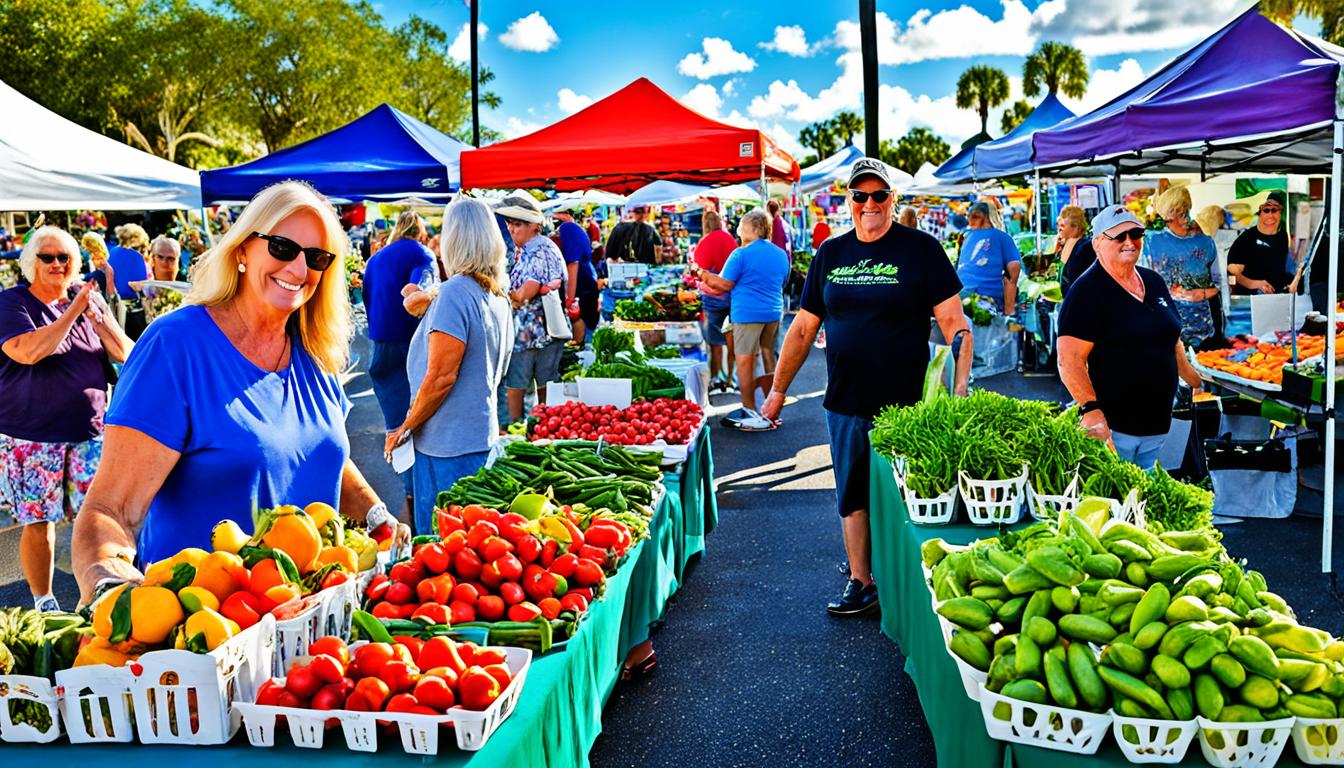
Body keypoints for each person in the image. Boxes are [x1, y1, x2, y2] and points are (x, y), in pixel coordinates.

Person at [71, 181, 405, 599]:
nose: (299, 271)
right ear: (243, 249)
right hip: (206, 636)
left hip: (312, 630)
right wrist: (110, 588)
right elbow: (110, 510)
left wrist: (377, 516)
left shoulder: (312, 352)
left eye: (316, 258)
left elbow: (320, 454)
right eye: (283, 248)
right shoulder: (176, 347)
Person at [760, 158, 972, 615]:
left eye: (879, 195)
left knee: (912, 492)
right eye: (861, 196)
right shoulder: (830, 255)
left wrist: (959, 390)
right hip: (847, 400)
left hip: (910, 405)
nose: (870, 204)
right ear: (849, 201)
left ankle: (915, 579)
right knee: (852, 493)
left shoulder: (921, 250)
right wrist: (778, 391)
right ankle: (862, 580)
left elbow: (954, 323)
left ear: (892, 199)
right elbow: (801, 330)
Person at [1, 227, 132, 611]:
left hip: (89, 431)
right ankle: (44, 601)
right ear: (31, 263)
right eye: (48, 257)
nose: (58, 264)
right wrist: (73, 311)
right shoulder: (13, 304)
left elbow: (125, 352)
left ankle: (100, 592)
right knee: (39, 519)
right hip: (31, 435)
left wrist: (100, 319)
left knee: (99, 518)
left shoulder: (84, 300)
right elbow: (29, 351)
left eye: (65, 258)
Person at [386, 198, 513, 534]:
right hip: (476, 439)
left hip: (446, 445)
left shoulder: (457, 292)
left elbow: (442, 377)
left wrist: (406, 427)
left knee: (441, 548)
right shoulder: (497, 295)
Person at [1057, 205, 1203, 469]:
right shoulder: (1085, 293)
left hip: (1161, 424)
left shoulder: (1154, 281)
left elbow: (1171, 337)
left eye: (1135, 234)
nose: (1129, 242)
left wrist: (1193, 378)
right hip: (1116, 430)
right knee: (1119, 502)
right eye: (1119, 236)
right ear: (1098, 242)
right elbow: (1069, 361)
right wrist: (1091, 411)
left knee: (1153, 498)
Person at [363, 211, 435, 515]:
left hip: (380, 343)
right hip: (411, 340)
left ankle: (407, 488)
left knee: (395, 420)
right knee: (421, 414)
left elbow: (366, 298)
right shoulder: (423, 253)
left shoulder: (377, 258)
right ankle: (420, 493)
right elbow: (422, 289)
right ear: (420, 231)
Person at [697, 209, 789, 430]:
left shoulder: (741, 254)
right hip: (773, 313)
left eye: (743, 225)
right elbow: (782, 281)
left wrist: (704, 275)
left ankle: (749, 410)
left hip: (747, 314)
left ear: (756, 229)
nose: (739, 228)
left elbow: (723, 285)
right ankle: (772, 410)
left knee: (745, 362)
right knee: (769, 359)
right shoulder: (780, 254)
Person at [496, 194, 567, 422]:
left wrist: (505, 294)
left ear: (534, 227)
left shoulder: (538, 250)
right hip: (539, 333)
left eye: (517, 224)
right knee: (542, 385)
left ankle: (521, 430)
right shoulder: (533, 249)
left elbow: (525, 293)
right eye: (509, 224)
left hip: (532, 334)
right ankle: (541, 427)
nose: (511, 229)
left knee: (519, 386)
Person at [1144, 187, 1220, 348]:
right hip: (1163, 328)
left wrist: (1201, 293)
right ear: (1167, 214)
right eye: (1177, 212)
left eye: (1185, 211)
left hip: (1202, 330)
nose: (1184, 218)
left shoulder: (1205, 243)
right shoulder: (1151, 242)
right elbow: (1141, 285)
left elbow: (1220, 284)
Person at [694, 208, 738, 391]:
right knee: (732, 340)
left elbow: (698, 271)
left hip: (712, 300)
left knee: (715, 342)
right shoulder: (731, 240)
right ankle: (730, 378)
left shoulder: (704, 242)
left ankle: (715, 377)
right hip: (732, 297)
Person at [957, 201, 1022, 314]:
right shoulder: (1002, 237)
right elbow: (1013, 274)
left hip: (960, 296)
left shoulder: (967, 236)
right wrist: (1009, 312)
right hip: (987, 298)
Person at [1229, 190, 1293, 295]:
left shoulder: (1283, 235)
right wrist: (1256, 284)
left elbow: (1279, 267)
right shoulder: (1248, 236)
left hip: (1273, 293)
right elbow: (1234, 273)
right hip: (1251, 293)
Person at [553, 208, 599, 341]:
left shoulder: (568, 229)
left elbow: (573, 265)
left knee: (581, 329)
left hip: (582, 290)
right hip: (586, 286)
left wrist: (570, 300)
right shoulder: (574, 229)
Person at [108, 223, 150, 340]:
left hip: (114, 309)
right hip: (133, 312)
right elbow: (141, 285)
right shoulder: (136, 257)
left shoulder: (112, 252)